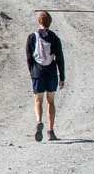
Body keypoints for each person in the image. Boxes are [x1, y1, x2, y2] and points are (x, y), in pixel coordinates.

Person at [27, 11, 66, 141]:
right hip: (51, 73)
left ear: (39, 22)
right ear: (50, 23)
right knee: (51, 102)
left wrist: (32, 73)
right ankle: (51, 131)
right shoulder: (55, 38)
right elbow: (59, 58)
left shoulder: (32, 37)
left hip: (37, 73)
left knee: (38, 100)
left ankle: (39, 121)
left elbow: (29, 57)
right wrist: (62, 77)